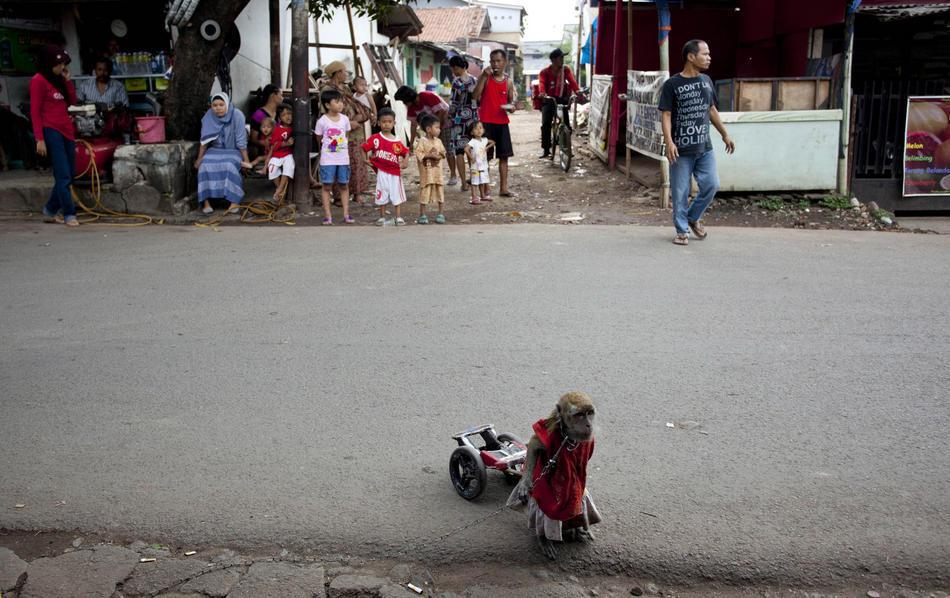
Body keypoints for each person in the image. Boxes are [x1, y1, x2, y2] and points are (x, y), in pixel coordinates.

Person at [659, 39, 735, 246]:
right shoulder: (672, 84)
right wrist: (669, 142)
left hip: (704, 147)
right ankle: (682, 230)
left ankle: (692, 216)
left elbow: (711, 110)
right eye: (705, 54)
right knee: (681, 192)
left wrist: (724, 134)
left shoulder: (707, 81)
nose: (709, 58)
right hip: (681, 149)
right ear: (691, 57)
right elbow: (666, 114)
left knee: (712, 185)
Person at [31, 44, 79, 227]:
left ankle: (50, 209)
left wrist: (67, 81)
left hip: (67, 129)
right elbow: (35, 111)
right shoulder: (38, 80)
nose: (62, 68)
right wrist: (39, 138)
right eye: (59, 65)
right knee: (63, 175)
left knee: (71, 174)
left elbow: (72, 103)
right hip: (51, 130)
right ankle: (69, 213)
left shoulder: (59, 79)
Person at [320, 61, 371, 203]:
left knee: (357, 162)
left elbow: (356, 105)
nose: (346, 74)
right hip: (338, 134)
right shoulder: (326, 90)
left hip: (355, 132)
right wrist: (348, 123)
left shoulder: (347, 89)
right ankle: (338, 197)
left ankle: (357, 193)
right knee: (339, 163)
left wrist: (358, 117)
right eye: (343, 71)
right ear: (337, 73)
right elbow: (327, 113)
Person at [195, 92, 252, 215]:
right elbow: (204, 141)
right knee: (204, 166)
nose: (218, 108)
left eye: (221, 104)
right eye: (214, 105)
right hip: (214, 150)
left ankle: (234, 201)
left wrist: (246, 160)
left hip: (233, 151)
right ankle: (206, 202)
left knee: (230, 166)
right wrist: (199, 158)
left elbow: (241, 140)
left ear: (227, 104)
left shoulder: (237, 115)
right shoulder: (209, 116)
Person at [473, 49, 516, 197]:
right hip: (485, 123)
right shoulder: (486, 77)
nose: (495, 64)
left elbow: (510, 103)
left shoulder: (508, 81)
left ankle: (503, 188)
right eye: (492, 61)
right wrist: (483, 77)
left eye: (498, 61)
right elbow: (475, 96)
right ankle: (486, 188)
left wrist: (512, 108)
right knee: (485, 157)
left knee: (504, 157)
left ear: (504, 62)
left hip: (502, 123)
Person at [393, 85, 454, 182]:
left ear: (408, 98)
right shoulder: (412, 107)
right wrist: (411, 143)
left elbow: (441, 112)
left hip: (445, 122)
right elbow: (413, 125)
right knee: (432, 152)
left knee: (448, 149)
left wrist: (438, 129)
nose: (404, 103)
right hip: (432, 129)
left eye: (404, 101)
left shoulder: (426, 96)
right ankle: (432, 177)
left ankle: (453, 176)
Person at [362, 107, 409, 226]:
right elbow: (364, 147)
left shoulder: (397, 141)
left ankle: (398, 217)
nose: (387, 124)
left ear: (394, 123)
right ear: (379, 123)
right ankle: (382, 217)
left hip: (395, 173)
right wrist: (365, 159)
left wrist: (405, 162)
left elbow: (406, 152)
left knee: (396, 194)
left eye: (389, 122)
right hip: (382, 172)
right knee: (382, 193)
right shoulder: (376, 138)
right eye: (384, 122)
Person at [314, 88, 353, 225]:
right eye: (336, 101)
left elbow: (346, 136)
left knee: (344, 185)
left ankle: (346, 214)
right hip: (328, 159)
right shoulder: (322, 121)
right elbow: (319, 138)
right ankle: (327, 216)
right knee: (326, 187)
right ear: (327, 105)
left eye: (341, 101)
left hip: (343, 159)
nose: (340, 104)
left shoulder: (345, 119)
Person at [537, 48, 580, 159]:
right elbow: (541, 83)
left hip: (561, 99)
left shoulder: (565, 70)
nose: (562, 60)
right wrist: (542, 93)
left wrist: (578, 91)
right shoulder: (544, 72)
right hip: (549, 99)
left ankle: (566, 146)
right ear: (554, 60)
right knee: (546, 124)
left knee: (566, 124)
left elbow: (572, 81)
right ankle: (546, 149)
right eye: (560, 57)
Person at [447, 55, 478, 191]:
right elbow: (479, 100)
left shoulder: (457, 82)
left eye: (453, 69)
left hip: (459, 120)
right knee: (472, 150)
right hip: (473, 119)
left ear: (457, 67)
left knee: (459, 151)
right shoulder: (475, 80)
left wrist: (449, 115)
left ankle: (464, 184)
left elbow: (454, 103)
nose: (453, 72)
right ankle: (474, 180)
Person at [414, 114, 447, 225]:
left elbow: (443, 152)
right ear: (428, 129)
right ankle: (422, 215)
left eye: (439, 127)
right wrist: (429, 156)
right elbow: (418, 153)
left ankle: (441, 213)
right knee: (424, 193)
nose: (439, 130)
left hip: (437, 173)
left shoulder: (438, 141)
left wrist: (439, 156)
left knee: (440, 192)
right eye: (436, 127)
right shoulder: (422, 141)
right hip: (427, 174)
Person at [267, 104, 295, 203]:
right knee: (272, 167)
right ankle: (280, 189)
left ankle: (279, 190)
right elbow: (274, 145)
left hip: (288, 154)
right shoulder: (277, 129)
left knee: (289, 166)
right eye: (283, 115)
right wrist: (286, 143)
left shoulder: (294, 127)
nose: (288, 116)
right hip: (278, 154)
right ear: (279, 118)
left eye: (289, 113)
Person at [464, 121, 494, 205]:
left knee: (482, 180)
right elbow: (466, 149)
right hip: (475, 166)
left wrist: (486, 148)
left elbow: (493, 142)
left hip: (483, 165)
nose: (479, 130)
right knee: (474, 181)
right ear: (472, 132)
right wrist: (471, 158)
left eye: (480, 128)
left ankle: (482, 195)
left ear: (483, 130)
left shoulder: (485, 140)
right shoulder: (472, 141)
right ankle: (474, 197)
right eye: (476, 128)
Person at [249, 84, 283, 158]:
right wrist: (265, 143)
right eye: (281, 95)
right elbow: (253, 139)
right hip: (264, 153)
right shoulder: (258, 114)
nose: (282, 98)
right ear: (273, 95)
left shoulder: (279, 114)